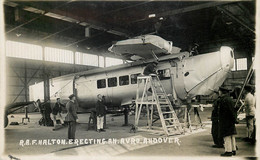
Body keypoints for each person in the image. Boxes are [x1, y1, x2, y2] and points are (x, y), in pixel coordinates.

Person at [218, 87, 237, 157]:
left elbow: (229, 111)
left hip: (226, 120)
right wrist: (234, 119)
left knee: (226, 136)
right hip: (230, 120)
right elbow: (233, 110)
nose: (218, 93)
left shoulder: (224, 100)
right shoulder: (229, 99)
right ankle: (233, 149)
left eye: (219, 91)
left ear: (222, 92)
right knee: (232, 135)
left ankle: (228, 151)